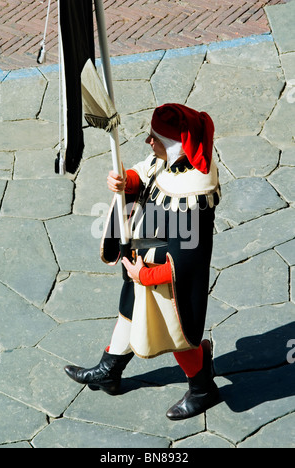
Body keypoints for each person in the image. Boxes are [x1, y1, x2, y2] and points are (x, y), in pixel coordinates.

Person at [64, 103, 221, 420]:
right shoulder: (170, 161)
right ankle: (109, 371)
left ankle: (203, 390)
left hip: (167, 280)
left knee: (179, 335)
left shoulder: (194, 191)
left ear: (174, 143)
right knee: (130, 313)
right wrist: (126, 182)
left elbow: (189, 261)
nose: (149, 141)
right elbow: (146, 176)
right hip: (143, 259)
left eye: (155, 137)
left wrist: (146, 275)